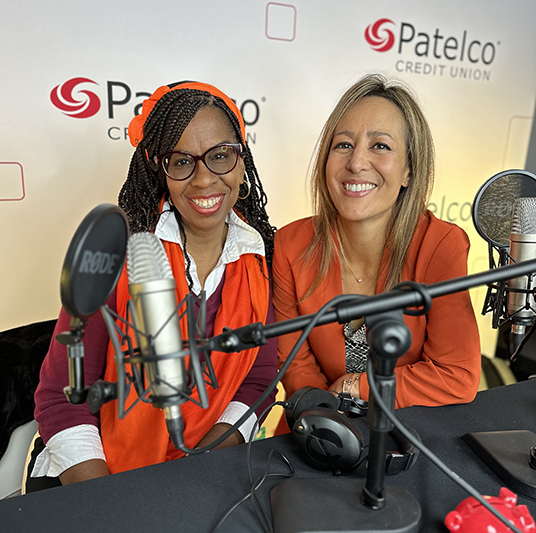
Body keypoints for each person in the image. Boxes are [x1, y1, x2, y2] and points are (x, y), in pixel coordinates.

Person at [27, 81, 277, 490]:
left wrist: (201, 473)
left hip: (201, 473)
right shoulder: (118, 255)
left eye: (220, 156)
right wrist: (113, 507)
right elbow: (61, 399)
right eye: (181, 162)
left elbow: (260, 378)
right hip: (96, 480)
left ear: (241, 160)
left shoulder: (258, 256)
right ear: (157, 168)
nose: (203, 180)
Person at [273, 74, 481, 425]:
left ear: (409, 171)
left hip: (407, 434)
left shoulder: (439, 245)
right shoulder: (290, 245)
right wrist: (327, 417)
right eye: (343, 145)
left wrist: (356, 387)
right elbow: (296, 366)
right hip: (316, 429)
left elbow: (457, 376)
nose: (356, 163)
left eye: (380, 146)